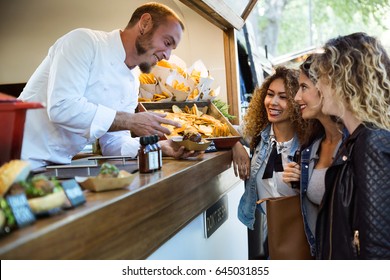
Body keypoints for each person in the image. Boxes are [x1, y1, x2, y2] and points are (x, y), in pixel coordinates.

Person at [18, 2, 195, 169]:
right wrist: (130, 120)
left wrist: (160, 145)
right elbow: (62, 107)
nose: (168, 56)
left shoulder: (133, 79)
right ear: (145, 23)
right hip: (16, 159)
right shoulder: (84, 42)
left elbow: (114, 144)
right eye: (167, 43)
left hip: (55, 167)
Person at [312, 32, 390, 259]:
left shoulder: (372, 142)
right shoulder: (359, 139)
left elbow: (378, 248)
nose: (318, 85)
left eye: (323, 77)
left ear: (344, 80)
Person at [232, 66, 307, 258]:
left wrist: (303, 179)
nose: (273, 102)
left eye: (283, 97)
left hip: (304, 239)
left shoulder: (309, 145)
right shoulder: (258, 136)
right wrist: (235, 145)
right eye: (270, 94)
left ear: (298, 101)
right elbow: (223, 129)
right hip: (272, 238)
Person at [282, 54, 344, 257]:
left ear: (325, 87)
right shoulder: (312, 147)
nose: (297, 97)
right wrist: (300, 181)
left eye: (304, 88)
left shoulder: (357, 145)